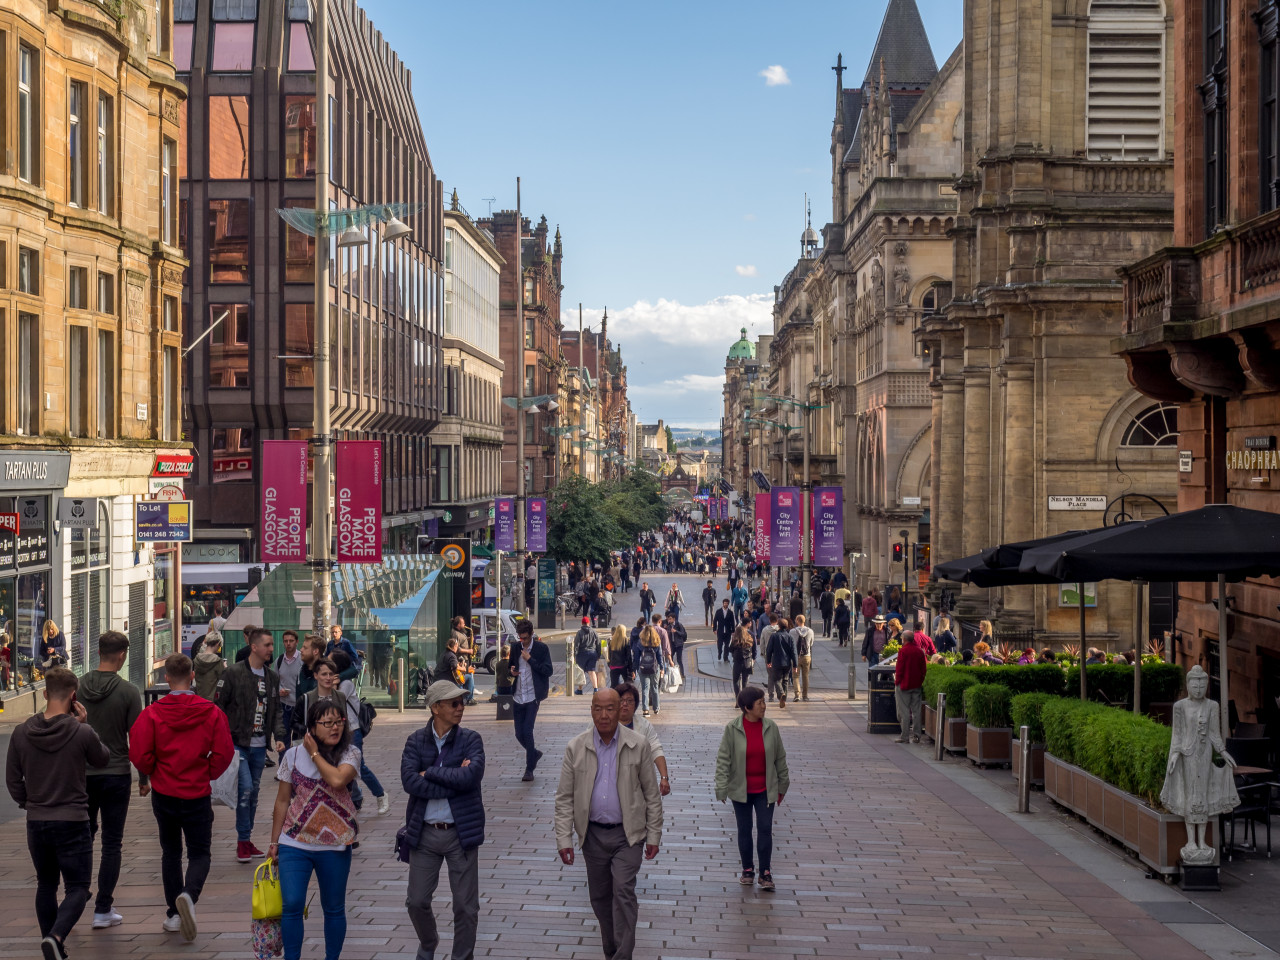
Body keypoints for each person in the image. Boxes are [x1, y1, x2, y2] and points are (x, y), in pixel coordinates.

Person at [5, 667, 110, 960]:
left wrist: (29, 803)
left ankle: (53, 945)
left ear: (45, 693)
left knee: (46, 884)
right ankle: (56, 935)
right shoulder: (81, 731)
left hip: (37, 821)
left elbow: (13, 779)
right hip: (73, 820)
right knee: (78, 887)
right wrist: (86, 724)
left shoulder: (21, 732)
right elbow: (102, 759)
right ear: (74, 696)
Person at [129, 653, 234, 941]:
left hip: (164, 792)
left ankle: (174, 914)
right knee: (200, 852)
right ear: (192, 677)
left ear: (166, 678)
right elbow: (225, 752)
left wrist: (152, 771)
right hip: (197, 791)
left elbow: (138, 753)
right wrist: (207, 771)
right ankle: (189, 894)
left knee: (171, 852)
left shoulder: (151, 714)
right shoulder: (211, 712)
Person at [554, 689, 662, 960]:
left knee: (623, 890)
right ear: (591, 710)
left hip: (628, 835)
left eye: (610, 709)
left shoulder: (638, 744)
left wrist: (654, 835)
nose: (603, 715)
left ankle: (622, 955)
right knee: (601, 899)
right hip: (593, 837)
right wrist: (564, 839)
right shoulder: (576, 747)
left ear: (621, 710)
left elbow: (652, 793)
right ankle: (612, 950)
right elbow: (564, 797)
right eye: (597, 709)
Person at [268, 697, 360, 960]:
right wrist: (274, 842)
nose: (335, 728)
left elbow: (337, 780)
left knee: (333, 907)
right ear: (312, 727)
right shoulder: (293, 756)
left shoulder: (350, 754)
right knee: (292, 903)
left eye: (339, 722)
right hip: (294, 841)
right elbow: (283, 800)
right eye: (327, 723)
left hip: (335, 844)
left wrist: (315, 753)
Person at [402, 681, 486, 960]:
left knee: (465, 906)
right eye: (453, 703)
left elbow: (471, 777)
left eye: (461, 702)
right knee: (416, 901)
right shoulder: (415, 740)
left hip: (460, 833)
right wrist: (453, 777)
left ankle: (462, 957)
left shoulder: (471, 739)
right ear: (435, 707)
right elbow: (410, 782)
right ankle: (428, 942)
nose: (460, 707)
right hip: (424, 833)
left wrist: (432, 773)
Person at [78, 631, 147, 930]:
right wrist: (144, 776)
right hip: (116, 773)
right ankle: (102, 909)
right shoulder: (129, 692)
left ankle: (75, 898)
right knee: (111, 843)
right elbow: (139, 739)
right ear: (122, 655)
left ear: (99, 652)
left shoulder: (77, 687)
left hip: (82, 775)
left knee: (83, 839)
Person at [214, 627, 287, 863]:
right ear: (254, 647)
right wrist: (222, 737)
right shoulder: (233, 673)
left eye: (271, 645)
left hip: (258, 746)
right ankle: (243, 841)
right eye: (267, 645)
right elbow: (217, 707)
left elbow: (275, 711)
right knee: (245, 789)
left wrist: (279, 736)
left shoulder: (272, 677)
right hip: (237, 744)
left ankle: (245, 841)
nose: (271, 649)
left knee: (254, 793)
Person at [715, 685, 789, 892]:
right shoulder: (732, 729)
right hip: (741, 789)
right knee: (744, 830)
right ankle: (748, 869)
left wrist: (783, 784)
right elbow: (723, 760)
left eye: (764, 702)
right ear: (747, 707)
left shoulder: (771, 728)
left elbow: (780, 759)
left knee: (765, 830)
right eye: (760, 703)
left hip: (765, 789)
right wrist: (721, 786)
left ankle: (765, 872)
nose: (764, 706)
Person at [296, 655, 390, 816]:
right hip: (335, 732)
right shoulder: (323, 687)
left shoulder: (344, 685)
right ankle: (355, 796)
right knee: (339, 766)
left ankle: (380, 794)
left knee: (358, 766)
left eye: (331, 668)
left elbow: (334, 697)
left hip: (351, 731)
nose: (328, 675)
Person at [507, 620, 553, 781]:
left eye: (525, 638)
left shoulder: (541, 649)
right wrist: (511, 671)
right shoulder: (515, 648)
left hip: (533, 696)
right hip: (518, 696)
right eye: (520, 638)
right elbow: (511, 666)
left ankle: (529, 769)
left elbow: (548, 670)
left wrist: (530, 659)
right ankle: (534, 753)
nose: (523, 642)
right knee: (519, 733)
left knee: (527, 730)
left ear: (532, 634)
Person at [614, 682, 671, 796]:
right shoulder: (603, 723)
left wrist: (664, 777)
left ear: (635, 705)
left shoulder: (644, 725)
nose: (625, 704)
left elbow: (655, 749)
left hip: (636, 785)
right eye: (621, 700)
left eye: (629, 701)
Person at [893, 630, 927, 743]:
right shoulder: (919, 651)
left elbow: (900, 669)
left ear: (904, 639)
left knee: (904, 711)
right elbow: (923, 669)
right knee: (917, 711)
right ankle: (917, 735)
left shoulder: (903, 651)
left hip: (904, 685)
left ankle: (905, 736)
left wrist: (897, 682)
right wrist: (920, 681)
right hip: (916, 684)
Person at [275, 630, 303, 749]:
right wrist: (279, 690)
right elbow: (275, 681)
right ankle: (284, 765)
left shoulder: (302, 659)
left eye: (291, 641)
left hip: (299, 707)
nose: (288, 644)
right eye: (286, 641)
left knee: (298, 741)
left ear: (296, 642)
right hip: (284, 705)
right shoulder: (279, 660)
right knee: (284, 739)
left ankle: (297, 766)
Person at [765, 618, 797, 708]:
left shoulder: (774, 636)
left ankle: (781, 694)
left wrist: (768, 661)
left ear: (778, 626)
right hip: (787, 662)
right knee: (785, 680)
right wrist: (795, 664)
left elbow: (769, 650)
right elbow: (793, 651)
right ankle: (784, 698)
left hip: (777, 662)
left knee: (777, 680)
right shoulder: (790, 637)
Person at [636, 625, 665, 718]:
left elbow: (636, 657)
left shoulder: (640, 642)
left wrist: (636, 668)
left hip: (643, 668)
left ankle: (645, 709)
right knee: (655, 688)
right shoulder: (657, 642)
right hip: (654, 668)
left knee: (645, 688)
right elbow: (660, 656)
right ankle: (656, 708)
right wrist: (662, 668)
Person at [194, 632, 226, 700]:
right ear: (217, 644)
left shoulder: (197, 659)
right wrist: (225, 668)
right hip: (212, 700)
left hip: (199, 699)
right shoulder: (218, 661)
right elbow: (223, 680)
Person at [574, 617, 601, 696]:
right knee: (592, 671)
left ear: (582, 623)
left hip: (582, 654)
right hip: (593, 654)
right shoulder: (594, 632)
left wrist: (575, 655)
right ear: (588, 623)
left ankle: (580, 689)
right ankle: (595, 689)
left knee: (581, 671)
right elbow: (598, 644)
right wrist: (598, 654)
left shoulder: (579, 633)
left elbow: (576, 645)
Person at [793, 615, 815, 702]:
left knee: (795, 676)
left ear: (797, 620)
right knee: (805, 676)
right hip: (807, 656)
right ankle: (805, 695)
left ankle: (797, 695)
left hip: (796, 657)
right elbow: (811, 643)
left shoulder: (792, 631)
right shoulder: (810, 631)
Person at [729, 625, 756, 696]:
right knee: (745, 682)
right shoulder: (749, 640)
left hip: (738, 662)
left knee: (736, 681)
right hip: (747, 663)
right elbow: (753, 650)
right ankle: (744, 698)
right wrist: (753, 658)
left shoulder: (735, 641)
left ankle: (738, 698)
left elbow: (730, 649)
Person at [713, 599, 736, 663]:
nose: (725, 604)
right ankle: (719, 653)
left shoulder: (730, 613)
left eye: (726, 603)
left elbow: (732, 622)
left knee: (727, 645)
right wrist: (714, 629)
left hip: (728, 632)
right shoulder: (718, 611)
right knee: (719, 644)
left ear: (728, 604)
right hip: (720, 631)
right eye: (724, 603)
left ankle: (725, 657)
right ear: (723, 603)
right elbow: (715, 621)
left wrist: (733, 631)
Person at [665, 614, 687, 679]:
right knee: (670, 658)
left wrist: (676, 631)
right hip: (672, 645)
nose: (669, 620)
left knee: (679, 659)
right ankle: (672, 673)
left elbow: (683, 634)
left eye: (670, 619)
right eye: (668, 619)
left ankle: (682, 674)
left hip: (679, 645)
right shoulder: (669, 626)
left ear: (674, 619)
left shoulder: (679, 625)